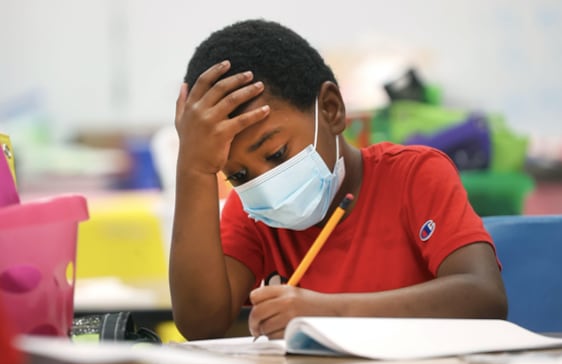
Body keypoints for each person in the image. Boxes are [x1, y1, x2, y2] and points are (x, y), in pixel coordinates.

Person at [170, 19, 507, 341]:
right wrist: (194, 168)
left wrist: (330, 312)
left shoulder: (414, 176)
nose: (265, 184)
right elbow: (201, 325)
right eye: (239, 175)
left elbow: (483, 296)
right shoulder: (251, 213)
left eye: (276, 154)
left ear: (330, 109)